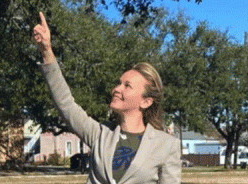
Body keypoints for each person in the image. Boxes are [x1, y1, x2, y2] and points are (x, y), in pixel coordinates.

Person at [32, 12, 181, 184]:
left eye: (127, 86)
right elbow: (65, 104)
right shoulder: (100, 134)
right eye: (119, 83)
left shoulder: (166, 145)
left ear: (146, 101)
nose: (116, 89)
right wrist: (46, 51)